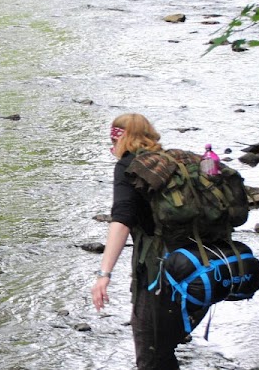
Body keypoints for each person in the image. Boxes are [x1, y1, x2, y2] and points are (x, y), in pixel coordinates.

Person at [90, 113, 189, 370]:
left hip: (159, 272)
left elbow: (121, 220)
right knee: (164, 350)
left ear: (119, 139)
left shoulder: (128, 166)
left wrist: (104, 274)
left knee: (150, 355)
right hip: (196, 266)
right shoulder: (170, 161)